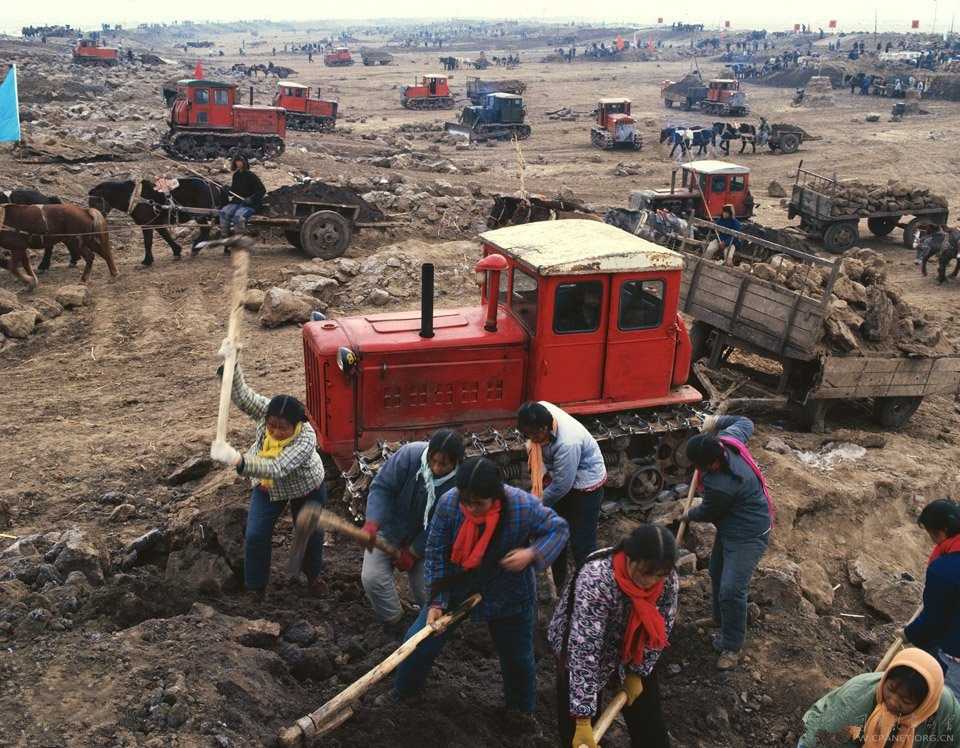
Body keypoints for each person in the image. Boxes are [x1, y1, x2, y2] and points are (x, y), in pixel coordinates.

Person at [394, 457, 569, 714]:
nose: (471, 508)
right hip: (457, 585)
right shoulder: (449, 504)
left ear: (495, 496)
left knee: (518, 660)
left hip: (508, 590)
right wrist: (435, 602)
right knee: (417, 643)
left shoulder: (521, 505)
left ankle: (521, 715)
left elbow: (558, 529)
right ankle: (404, 697)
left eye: (479, 503)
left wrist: (531, 553)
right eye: (466, 501)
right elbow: (437, 552)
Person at [209, 344, 327, 603]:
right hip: (267, 487)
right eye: (271, 425)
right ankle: (256, 586)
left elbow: (278, 467)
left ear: (297, 425)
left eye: (282, 428)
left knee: (308, 533)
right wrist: (232, 363)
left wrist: (239, 460)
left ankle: (313, 576)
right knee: (255, 536)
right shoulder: (268, 414)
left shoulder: (306, 439)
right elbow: (244, 397)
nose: (275, 431)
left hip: (306, 487)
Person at [548, 525, 678, 748]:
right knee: (577, 737)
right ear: (630, 556)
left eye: (660, 575)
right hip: (581, 646)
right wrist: (582, 718)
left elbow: (662, 626)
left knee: (649, 725)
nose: (652, 581)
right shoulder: (597, 579)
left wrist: (638, 672)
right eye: (647, 572)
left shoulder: (667, 580)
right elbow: (585, 650)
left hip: (632, 647)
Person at [681, 415, 773, 670]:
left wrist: (686, 515)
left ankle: (732, 644)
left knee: (732, 589)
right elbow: (747, 422)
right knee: (716, 571)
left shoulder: (721, 484)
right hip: (732, 527)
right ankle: (719, 617)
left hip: (748, 534)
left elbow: (707, 513)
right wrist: (718, 420)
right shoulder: (728, 440)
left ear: (707, 465)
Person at [359, 430, 466, 638]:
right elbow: (382, 488)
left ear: (456, 462)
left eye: (443, 465)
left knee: (428, 593)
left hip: (429, 544)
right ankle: (394, 624)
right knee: (372, 579)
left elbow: (446, 528)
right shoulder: (409, 455)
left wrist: (414, 551)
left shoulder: (461, 483)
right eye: (433, 460)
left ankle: (427, 629)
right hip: (390, 529)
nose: (435, 468)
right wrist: (373, 522)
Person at [516, 401, 606, 590]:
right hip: (559, 475)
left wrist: (538, 503)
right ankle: (560, 586)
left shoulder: (567, 443)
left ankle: (589, 590)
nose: (532, 438)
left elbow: (562, 486)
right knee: (556, 534)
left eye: (536, 434)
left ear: (547, 426)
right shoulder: (538, 410)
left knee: (582, 543)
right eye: (527, 435)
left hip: (585, 483)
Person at [798, 648, 960, 747]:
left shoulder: (945, 710)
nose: (893, 701)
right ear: (885, 679)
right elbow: (820, 741)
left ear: (925, 704)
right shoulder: (854, 705)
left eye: (906, 701)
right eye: (891, 689)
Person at [904, 500, 960, 700]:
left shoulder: (943, 569)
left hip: (956, 659)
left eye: (931, 532)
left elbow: (933, 620)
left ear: (940, 530)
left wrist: (908, 633)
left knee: (950, 714)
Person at [218, 153, 265, 238]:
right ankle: (225, 238)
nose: (238, 163)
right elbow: (234, 191)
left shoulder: (251, 176)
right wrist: (227, 190)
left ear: (245, 162)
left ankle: (238, 240)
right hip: (237, 202)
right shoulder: (236, 175)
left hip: (250, 205)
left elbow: (262, 190)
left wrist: (251, 198)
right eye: (237, 161)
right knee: (223, 213)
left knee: (238, 218)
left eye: (240, 161)